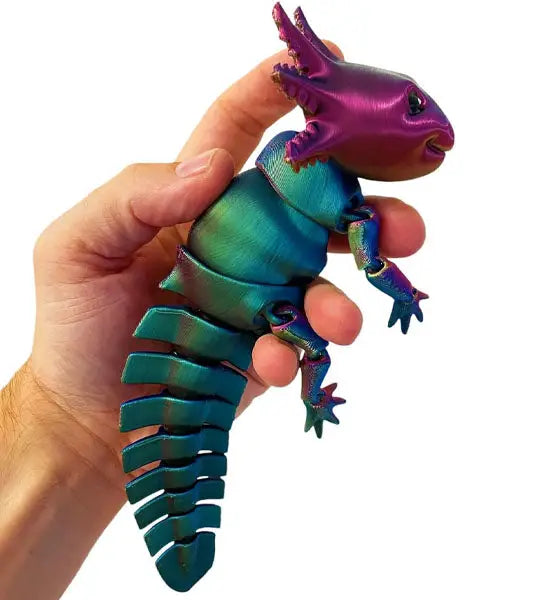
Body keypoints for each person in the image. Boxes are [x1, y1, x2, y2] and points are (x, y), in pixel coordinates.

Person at [0, 43, 425, 599]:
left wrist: (62, 428)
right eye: (412, 107)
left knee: (312, 349)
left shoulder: (290, 161)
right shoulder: (349, 207)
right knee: (314, 349)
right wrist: (405, 295)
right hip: (241, 302)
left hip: (227, 295)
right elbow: (373, 266)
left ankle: (313, 396)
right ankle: (313, 397)